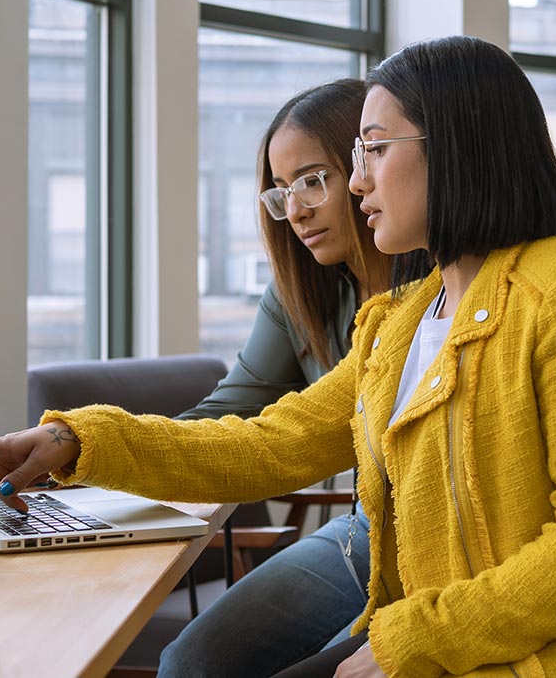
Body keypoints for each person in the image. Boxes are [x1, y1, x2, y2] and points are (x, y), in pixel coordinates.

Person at [0, 36, 556, 677]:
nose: (357, 185)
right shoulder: (398, 321)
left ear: (455, 146)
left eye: (371, 150)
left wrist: (410, 640)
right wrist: (80, 441)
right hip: (466, 633)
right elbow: (268, 442)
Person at [163, 78, 390, 677]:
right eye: (282, 191)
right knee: (192, 661)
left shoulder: (449, 288)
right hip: (366, 532)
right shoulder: (300, 294)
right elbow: (229, 412)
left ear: (369, 164)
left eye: (313, 180)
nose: (295, 209)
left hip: (435, 542)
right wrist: (87, 460)